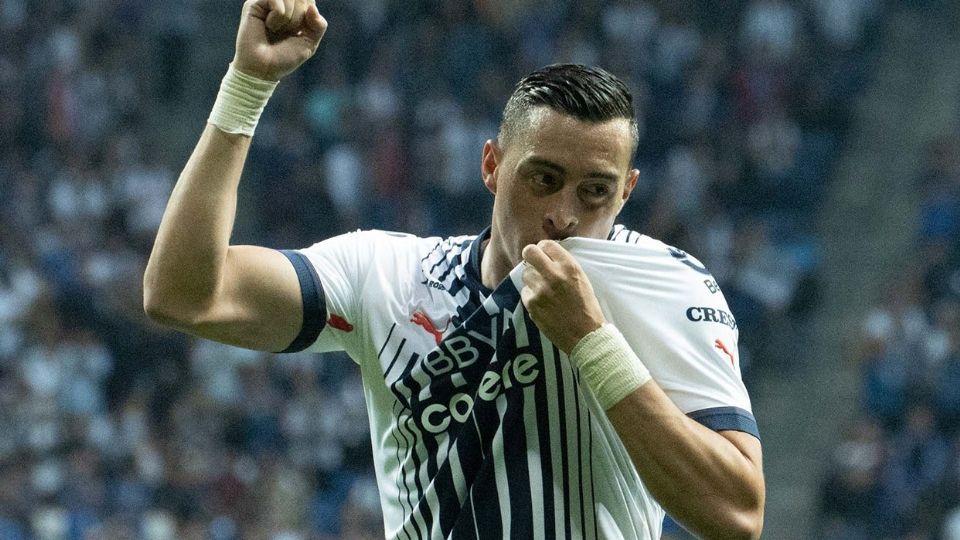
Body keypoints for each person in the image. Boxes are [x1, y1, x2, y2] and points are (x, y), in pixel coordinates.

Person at [143, 0, 766, 538]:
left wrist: (591, 341)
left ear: (627, 191)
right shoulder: (387, 276)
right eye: (543, 179)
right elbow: (183, 295)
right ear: (492, 166)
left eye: (595, 192)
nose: (563, 215)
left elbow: (738, 514)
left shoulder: (665, 284)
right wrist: (248, 84)